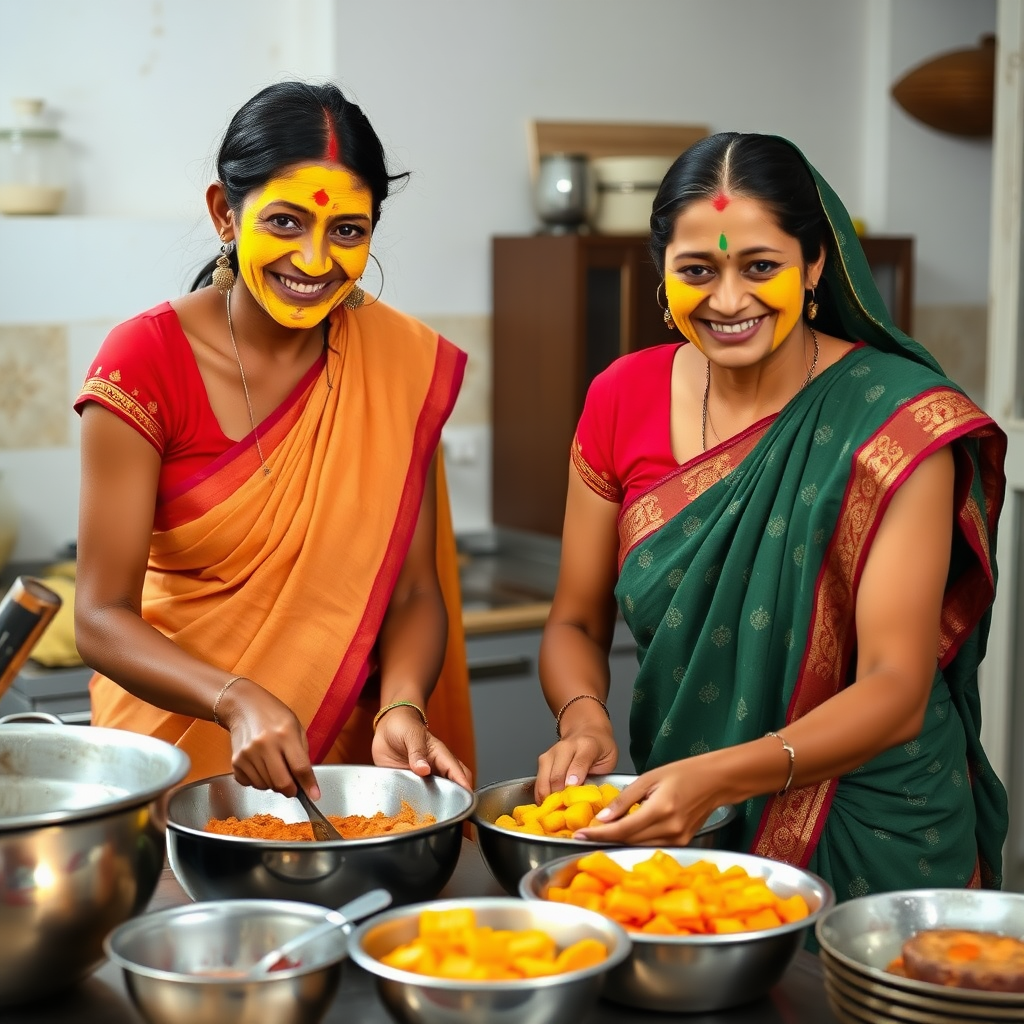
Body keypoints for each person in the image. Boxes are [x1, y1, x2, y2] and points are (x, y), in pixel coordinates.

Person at [535, 132, 1008, 903]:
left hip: (871, 821)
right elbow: (575, 624)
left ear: (814, 264)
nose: (727, 300)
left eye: (760, 266)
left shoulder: (894, 420)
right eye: (698, 270)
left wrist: (717, 777)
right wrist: (583, 718)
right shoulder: (620, 398)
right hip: (685, 812)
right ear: (664, 271)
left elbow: (895, 684)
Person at [73, 80, 475, 800]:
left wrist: (404, 702)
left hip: (343, 762)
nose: (315, 260)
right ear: (225, 213)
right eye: (285, 222)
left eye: (347, 231)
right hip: (173, 752)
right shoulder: (144, 358)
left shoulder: (399, 365)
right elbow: (101, 620)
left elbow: (414, 590)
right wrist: (234, 698)